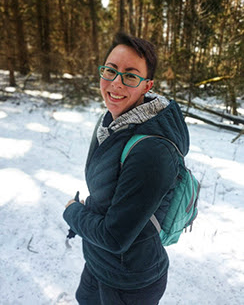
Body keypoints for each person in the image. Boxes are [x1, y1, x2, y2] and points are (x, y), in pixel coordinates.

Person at [63, 32, 189, 305]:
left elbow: (114, 237)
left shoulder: (152, 151)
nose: (115, 83)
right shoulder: (112, 119)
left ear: (147, 86)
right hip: (100, 264)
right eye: (110, 70)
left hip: (129, 282)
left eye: (131, 75)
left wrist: (72, 211)